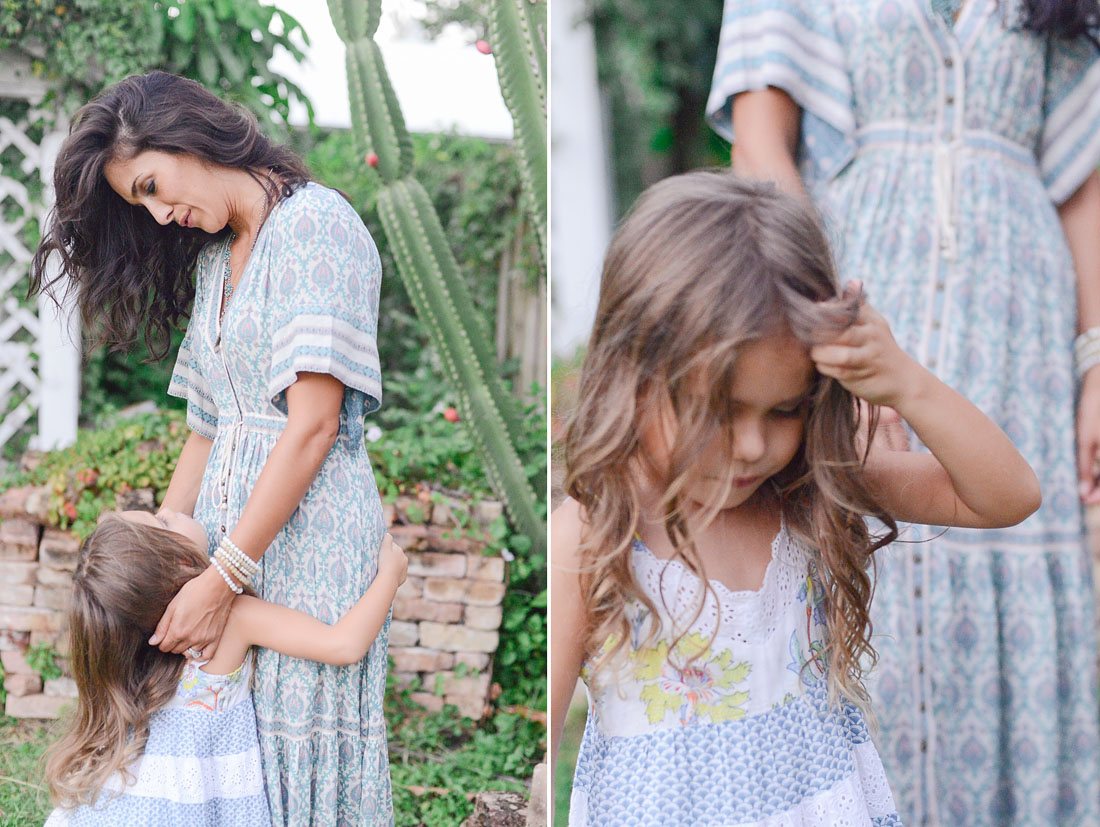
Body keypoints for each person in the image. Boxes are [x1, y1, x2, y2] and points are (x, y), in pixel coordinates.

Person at [706, 1, 1100, 823]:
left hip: (1021, 326)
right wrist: (813, 326)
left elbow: (1082, 193)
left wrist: (1097, 361)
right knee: (867, 540)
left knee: (1010, 520)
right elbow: (760, 144)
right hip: (856, 288)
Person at [550, 171, 1041, 825]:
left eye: (785, 409)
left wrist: (907, 385)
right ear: (635, 372)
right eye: (721, 410)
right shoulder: (593, 533)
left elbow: (1008, 496)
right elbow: (542, 743)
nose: (753, 444)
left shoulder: (809, 486)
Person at [32, 71, 390, 824]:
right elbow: (207, 421)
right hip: (229, 554)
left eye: (154, 185)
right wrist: (160, 563)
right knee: (236, 760)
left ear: (188, 133)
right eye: (145, 205)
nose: (162, 214)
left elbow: (313, 425)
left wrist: (224, 576)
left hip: (305, 546)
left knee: (299, 754)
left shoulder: (315, 228)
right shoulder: (214, 261)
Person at [43, 511, 407, 825]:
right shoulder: (231, 618)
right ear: (177, 564)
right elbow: (343, 644)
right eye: (164, 519)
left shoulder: (136, 651)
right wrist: (390, 576)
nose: (173, 509)